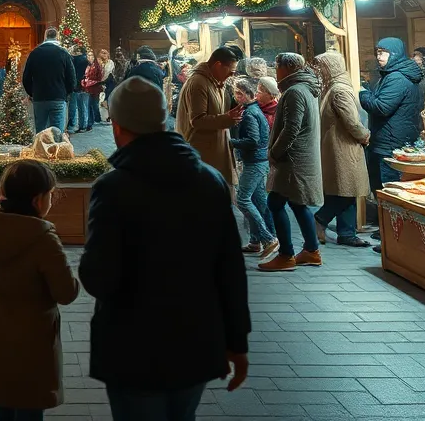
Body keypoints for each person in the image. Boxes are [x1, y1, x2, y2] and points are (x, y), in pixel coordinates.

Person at [79, 78, 250, 420]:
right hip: (196, 338)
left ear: (117, 125)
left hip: (133, 345)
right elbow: (230, 268)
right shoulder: (209, 180)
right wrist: (236, 341)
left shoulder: (113, 188)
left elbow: (99, 276)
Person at [0, 159, 80, 420]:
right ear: (38, 200)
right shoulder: (43, 239)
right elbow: (66, 293)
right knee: (29, 407)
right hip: (31, 340)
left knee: (1, 404)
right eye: (50, 194)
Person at [258, 53, 323, 272]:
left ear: (287, 68)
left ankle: (286, 255)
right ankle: (311, 250)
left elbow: (291, 128)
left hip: (292, 160)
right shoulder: (305, 88)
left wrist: (275, 152)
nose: (275, 71)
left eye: (277, 67)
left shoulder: (295, 91)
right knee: (297, 202)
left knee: (275, 203)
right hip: (300, 158)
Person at [312, 51, 370, 248]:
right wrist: (364, 135)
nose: (320, 71)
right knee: (346, 191)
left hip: (337, 147)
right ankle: (321, 219)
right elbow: (352, 122)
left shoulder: (334, 89)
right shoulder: (339, 89)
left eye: (322, 67)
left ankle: (346, 233)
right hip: (344, 148)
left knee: (345, 190)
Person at [359, 37, 423, 216]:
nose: (379, 56)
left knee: (388, 191)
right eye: (378, 52)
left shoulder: (396, 78)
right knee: (384, 191)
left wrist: (363, 93)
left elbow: (381, 107)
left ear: (395, 54)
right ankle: (386, 227)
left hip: (390, 144)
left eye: (383, 52)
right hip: (390, 140)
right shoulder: (392, 74)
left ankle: (389, 229)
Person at [174, 47, 242, 190]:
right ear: (218, 65)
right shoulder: (199, 83)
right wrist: (226, 119)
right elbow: (197, 120)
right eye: (230, 70)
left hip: (214, 153)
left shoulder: (215, 82)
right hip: (203, 155)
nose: (232, 75)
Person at [229, 78, 278, 257]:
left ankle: (268, 239)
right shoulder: (253, 110)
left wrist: (231, 143)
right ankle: (256, 241)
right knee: (259, 202)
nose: (236, 97)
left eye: (239, 93)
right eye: (235, 93)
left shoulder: (250, 113)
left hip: (255, 162)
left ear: (247, 94)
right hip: (258, 161)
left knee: (242, 199)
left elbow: (253, 140)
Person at [22, 28, 77, 133]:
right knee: (57, 133)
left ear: (45, 37)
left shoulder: (34, 53)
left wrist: (32, 93)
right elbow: (72, 78)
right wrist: (66, 93)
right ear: (57, 37)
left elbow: (26, 78)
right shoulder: (63, 53)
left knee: (41, 133)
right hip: (58, 97)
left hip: (39, 98)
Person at [68, 44, 91, 133]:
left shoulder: (73, 60)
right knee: (83, 106)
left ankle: (78, 124)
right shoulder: (86, 61)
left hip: (77, 85)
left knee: (78, 106)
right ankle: (84, 125)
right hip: (85, 85)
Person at [83, 53, 106, 126]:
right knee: (90, 104)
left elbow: (99, 78)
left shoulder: (97, 66)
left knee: (95, 104)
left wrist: (90, 81)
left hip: (95, 88)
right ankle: (92, 119)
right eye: (88, 55)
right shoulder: (88, 66)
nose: (89, 57)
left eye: (91, 55)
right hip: (88, 87)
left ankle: (97, 118)